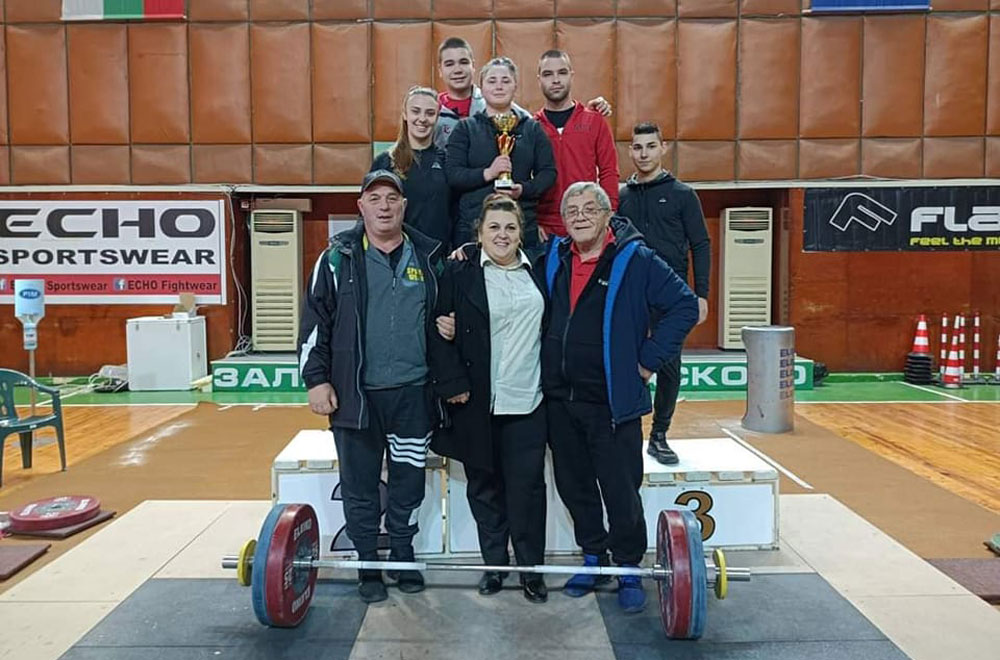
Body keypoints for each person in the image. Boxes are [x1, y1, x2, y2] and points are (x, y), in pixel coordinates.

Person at [540, 181, 698, 613]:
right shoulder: (554, 257)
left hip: (612, 404)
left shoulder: (637, 259)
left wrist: (647, 361)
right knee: (575, 488)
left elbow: (685, 306)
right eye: (571, 210)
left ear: (608, 215)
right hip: (561, 399)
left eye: (588, 209)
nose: (579, 216)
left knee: (621, 492)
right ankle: (594, 558)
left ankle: (629, 567)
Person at [298, 169, 445, 604]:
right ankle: (367, 563)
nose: (384, 206)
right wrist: (316, 380)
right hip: (355, 397)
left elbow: (445, 313)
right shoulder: (336, 258)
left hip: (413, 395)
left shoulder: (429, 257)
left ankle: (401, 554)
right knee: (360, 486)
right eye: (375, 198)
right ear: (361, 207)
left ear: (404, 206)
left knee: (408, 483)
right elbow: (314, 322)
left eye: (392, 198)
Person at [428, 194, 549, 603]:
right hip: (477, 402)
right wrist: (452, 383)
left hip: (528, 402)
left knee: (527, 491)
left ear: (521, 234)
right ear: (478, 233)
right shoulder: (458, 272)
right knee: (483, 489)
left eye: (510, 227)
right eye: (493, 227)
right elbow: (436, 329)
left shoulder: (541, 270)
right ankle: (494, 566)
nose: (502, 234)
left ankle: (531, 571)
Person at [618, 122, 710, 465]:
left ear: (663, 148)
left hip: (671, 296)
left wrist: (701, 294)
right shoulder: (622, 197)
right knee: (626, 361)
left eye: (650, 146)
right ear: (631, 151)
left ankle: (659, 435)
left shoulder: (683, 195)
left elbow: (700, 244)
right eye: (638, 147)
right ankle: (626, 432)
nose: (644, 153)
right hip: (631, 294)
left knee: (669, 365)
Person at [445, 56, 556, 252]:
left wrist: (523, 189)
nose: (499, 86)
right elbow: (453, 174)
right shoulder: (465, 129)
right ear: (481, 88)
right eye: (492, 81)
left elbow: (548, 173)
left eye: (505, 81)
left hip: (522, 226)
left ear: (515, 86)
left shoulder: (532, 129)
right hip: (473, 227)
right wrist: (488, 173)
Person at [434, 37, 613, 151]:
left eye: (463, 62)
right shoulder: (431, 112)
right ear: (440, 70)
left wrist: (585, 114)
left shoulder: (513, 113)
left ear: (473, 66)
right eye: (449, 64)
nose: (457, 70)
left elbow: (554, 130)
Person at [534, 50, 619, 241]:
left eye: (562, 72)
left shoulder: (594, 121)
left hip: (587, 221)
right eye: (548, 74)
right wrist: (532, 221)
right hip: (546, 229)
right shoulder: (533, 126)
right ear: (539, 80)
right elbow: (524, 177)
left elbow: (608, 171)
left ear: (571, 76)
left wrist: (609, 213)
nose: (556, 80)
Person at [371, 86, 453, 248]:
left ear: (437, 117)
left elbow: (455, 211)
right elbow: (369, 213)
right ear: (405, 114)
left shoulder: (446, 160)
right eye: (416, 111)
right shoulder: (385, 161)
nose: (422, 119)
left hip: (438, 254)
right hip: (397, 252)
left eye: (430, 113)